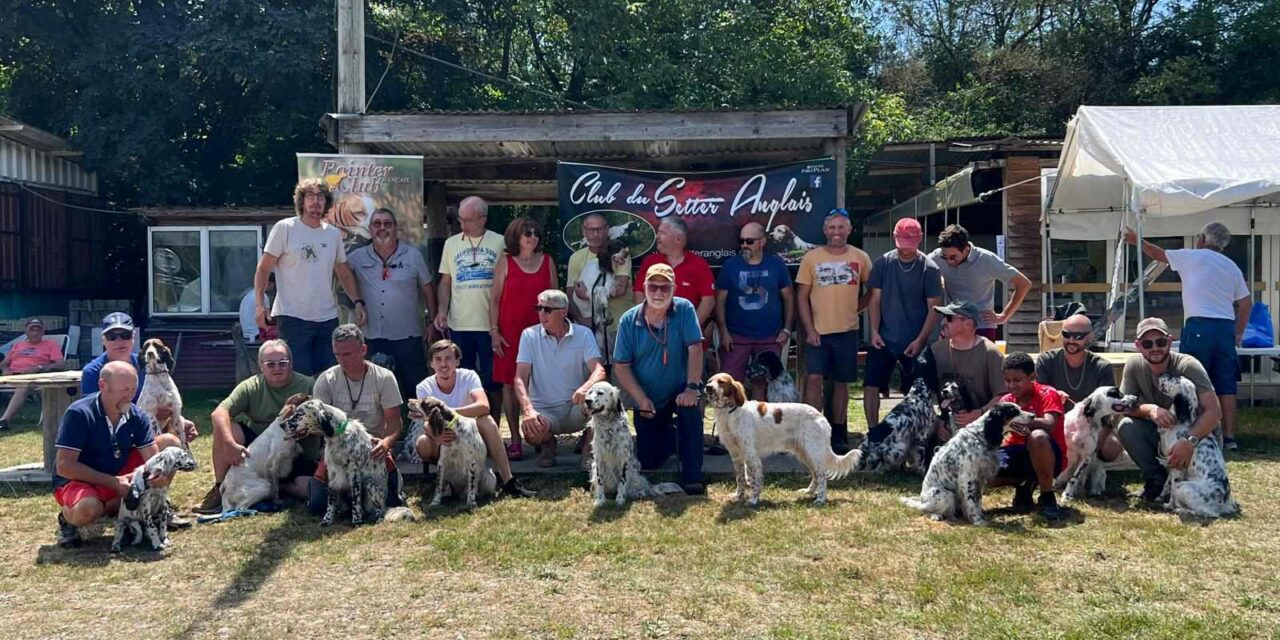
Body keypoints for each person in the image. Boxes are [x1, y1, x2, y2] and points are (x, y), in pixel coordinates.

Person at [1124, 221, 1250, 451]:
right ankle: (1229, 437)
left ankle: (1191, 426)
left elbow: (1158, 254)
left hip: (1199, 323)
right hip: (1224, 328)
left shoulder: (1193, 256)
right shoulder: (1231, 266)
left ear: (1202, 238)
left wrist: (1136, 241)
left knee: (1190, 378)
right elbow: (1245, 302)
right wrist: (1238, 332)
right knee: (1226, 383)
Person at [53, 361, 183, 548]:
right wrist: (114, 482)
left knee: (170, 445)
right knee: (88, 509)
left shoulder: (137, 415)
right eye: (123, 390)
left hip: (118, 473)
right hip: (80, 480)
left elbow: (153, 458)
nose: (129, 396)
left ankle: (146, 508)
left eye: (133, 389)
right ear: (103, 386)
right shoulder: (80, 413)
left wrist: (158, 473)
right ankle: (69, 518)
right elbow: (64, 466)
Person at [253, 179, 366, 376]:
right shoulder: (285, 228)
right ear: (301, 201)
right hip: (292, 316)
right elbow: (263, 269)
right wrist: (260, 305)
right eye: (310, 196)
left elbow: (343, 271)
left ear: (326, 202)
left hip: (327, 318)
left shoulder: (332, 234)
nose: (316, 201)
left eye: (320, 196)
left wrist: (357, 301)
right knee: (298, 377)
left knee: (329, 377)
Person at [193, 339, 319, 514]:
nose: (277, 368)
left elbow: (324, 419)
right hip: (258, 452)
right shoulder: (251, 386)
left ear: (291, 363)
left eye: (283, 363)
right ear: (261, 365)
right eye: (271, 364)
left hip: (297, 454)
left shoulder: (309, 385)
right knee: (228, 428)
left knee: (311, 490)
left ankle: (279, 487)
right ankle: (219, 488)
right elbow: (218, 413)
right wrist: (229, 444)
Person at [614, 264, 706, 494]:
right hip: (647, 398)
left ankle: (693, 475)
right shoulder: (628, 320)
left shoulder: (684, 309)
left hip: (680, 388)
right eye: (653, 286)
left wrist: (692, 388)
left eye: (665, 288)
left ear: (673, 289)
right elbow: (621, 366)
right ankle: (673, 436)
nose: (658, 293)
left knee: (690, 411)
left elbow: (695, 348)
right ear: (644, 287)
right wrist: (640, 399)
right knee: (649, 461)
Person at [1116, 317, 1222, 503]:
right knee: (1126, 426)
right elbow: (1124, 407)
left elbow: (1214, 412)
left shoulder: (1188, 366)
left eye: (1161, 341)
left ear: (1170, 341)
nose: (1155, 348)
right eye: (1147, 343)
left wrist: (1189, 441)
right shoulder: (1134, 366)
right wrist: (1150, 410)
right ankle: (1156, 480)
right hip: (1163, 434)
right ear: (1138, 346)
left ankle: (1198, 486)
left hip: (1199, 437)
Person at [412, 340, 535, 498]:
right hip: (445, 434)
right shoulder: (424, 386)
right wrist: (437, 435)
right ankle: (447, 481)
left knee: (488, 421)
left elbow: (484, 406)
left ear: (457, 361)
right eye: (438, 359)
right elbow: (427, 421)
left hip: (470, 434)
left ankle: (508, 481)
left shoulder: (469, 376)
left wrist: (447, 412)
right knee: (423, 443)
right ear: (431, 363)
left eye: (448, 358)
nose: (443, 364)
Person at [795, 209, 873, 452]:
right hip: (818, 331)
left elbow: (873, 290)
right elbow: (801, 297)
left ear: (850, 230)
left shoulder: (861, 257)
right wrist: (809, 329)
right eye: (832, 228)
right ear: (825, 230)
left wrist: (857, 309)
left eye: (841, 228)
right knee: (814, 379)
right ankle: (809, 430)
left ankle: (838, 432)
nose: (836, 232)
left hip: (847, 331)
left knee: (841, 383)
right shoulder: (812, 258)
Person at [309, 324, 405, 515]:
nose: (342, 360)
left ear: (363, 350)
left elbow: (394, 422)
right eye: (338, 354)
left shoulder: (384, 377)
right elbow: (319, 425)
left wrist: (386, 443)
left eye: (348, 354)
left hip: (372, 449)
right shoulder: (326, 380)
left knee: (392, 501)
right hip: (337, 450)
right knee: (317, 506)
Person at [347, 207, 437, 404]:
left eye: (387, 224)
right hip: (371, 336)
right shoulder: (356, 258)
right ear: (370, 229)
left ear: (396, 228)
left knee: (416, 388)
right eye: (377, 224)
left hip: (407, 335)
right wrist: (356, 303)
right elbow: (340, 274)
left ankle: (419, 432)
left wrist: (431, 321)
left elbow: (428, 288)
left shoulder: (413, 255)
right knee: (373, 392)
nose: (382, 228)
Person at [513, 290, 607, 468]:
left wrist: (586, 387)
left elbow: (599, 370)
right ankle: (548, 443)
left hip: (575, 407)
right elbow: (519, 378)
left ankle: (589, 451)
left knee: (602, 398)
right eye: (538, 308)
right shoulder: (529, 335)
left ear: (564, 311)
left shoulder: (584, 334)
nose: (541, 314)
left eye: (547, 309)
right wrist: (527, 410)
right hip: (544, 411)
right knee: (531, 433)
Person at [489, 216, 557, 461]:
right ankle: (515, 440)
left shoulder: (547, 261)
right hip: (510, 333)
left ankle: (542, 434)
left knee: (541, 382)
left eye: (536, 233)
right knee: (509, 385)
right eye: (527, 233)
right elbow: (494, 299)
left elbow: (556, 300)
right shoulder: (506, 262)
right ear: (516, 236)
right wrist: (494, 332)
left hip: (541, 331)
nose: (532, 237)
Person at [433, 196, 505, 427]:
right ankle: (465, 427)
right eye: (460, 219)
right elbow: (445, 281)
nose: (462, 225)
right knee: (463, 379)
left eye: (468, 220)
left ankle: (492, 428)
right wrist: (441, 310)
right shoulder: (451, 244)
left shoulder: (501, 242)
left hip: (490, 326)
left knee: (493, 381)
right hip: (459, 324)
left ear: (482, 219)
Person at [864, 218, 942, 425]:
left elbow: (934, 309)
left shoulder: (930, 269)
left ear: (920, 240)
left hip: (915, 340)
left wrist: (920, 340)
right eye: (902, 245)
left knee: (916, 390)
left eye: (910, 246)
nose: (906, 250)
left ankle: (912, 430)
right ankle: (873, 431)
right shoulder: (883, 263)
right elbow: (874, 300)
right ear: (894, 238)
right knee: (871, 385)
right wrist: (873, 331)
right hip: (884, 336)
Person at [80, 312, 196, 440]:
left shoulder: (145, 365)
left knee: (177, 439)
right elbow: (95, 415)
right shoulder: (92, 372)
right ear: (103, 340)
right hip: (112, 438)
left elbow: (166, 404)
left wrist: (180, 420)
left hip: (149, 429)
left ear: (133, 337)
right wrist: (150, 416)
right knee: (169, 441)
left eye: (125, 335)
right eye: (112, 336)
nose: (119, 341)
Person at [714, 221, 794, 399]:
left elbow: (789, 297)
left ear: (762, 241)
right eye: (741, 241)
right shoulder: (730, 265)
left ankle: (760, 424)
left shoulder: (776, 264)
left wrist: (787, 329)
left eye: (749, 241)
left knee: (762, 384)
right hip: (737, 336)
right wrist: (723, 331)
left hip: (769, 335)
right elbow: (719, 300)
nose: (744, 245)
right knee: (730, 384)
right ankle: (731, 425)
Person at [1034, 312, 1124, 463]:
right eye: (1067, 334)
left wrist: (1096, 440)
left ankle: (1087, 459)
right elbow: (1038, 394)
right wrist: (1053, 394)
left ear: (1089, 336)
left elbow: (1108, 412)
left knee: (1111, 448)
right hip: (1056, 422)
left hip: (1090, 426)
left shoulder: (1101, 367)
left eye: (1078, 336)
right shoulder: (1046, 360)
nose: (1071, 340)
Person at [993, 352, 1066, 520]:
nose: (1011, 385)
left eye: (1017, 380)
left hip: (1048, 454)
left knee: (1038, 436)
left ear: (1032, 377)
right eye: (1007, 381)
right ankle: (1024, 485)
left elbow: (1049, 424)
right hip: (1015, 452)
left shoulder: (1047, 393)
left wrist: (1016, 421)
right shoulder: (1006, 400)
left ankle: (1047, 496)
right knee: (984, 467)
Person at [929, 224, 1031, 341]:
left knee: (982, 359)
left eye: (953, 257)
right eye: (944, 256)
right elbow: (921, 268)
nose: (948, 261)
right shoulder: (937, 256)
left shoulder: (986, 259)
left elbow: (1024, 283)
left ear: (966, 248)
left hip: (981, 326)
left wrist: (1004, 316)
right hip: (952, 323)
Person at [930, 301, 1006, 431]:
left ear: (968, 323)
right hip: (944, 426)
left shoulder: (991, 353)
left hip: (980, 429)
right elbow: (926, 394)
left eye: (949, 318)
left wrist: (980, 413)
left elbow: (1003, 396)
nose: (943, 322)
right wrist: (936, 422)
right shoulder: (935, 350)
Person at [568, 212, 634, 361]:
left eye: (600, 229)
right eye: (591, 230)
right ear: (584, 231)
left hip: (618, 324)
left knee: (620, 368)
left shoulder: (621, 253)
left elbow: (620, 289)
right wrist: (581, 319)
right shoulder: (577, 258)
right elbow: (571, 293)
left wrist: (587, 295)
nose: (595, 234)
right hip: (588, 324)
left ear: (607, 230)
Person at [633, 217, 716, 327]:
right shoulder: (650, 262)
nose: (657, 236)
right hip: (654, 333)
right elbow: (638, 293)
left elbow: (708, 301)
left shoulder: (699, 265)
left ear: (678, 239)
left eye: (662, 233)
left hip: (687, 339)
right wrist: (649, 323)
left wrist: (690, 328)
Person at [1, 318, 66, 431]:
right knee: (22, 384)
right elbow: (4, 363)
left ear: (43, 332)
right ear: (26, 331)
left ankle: (4, 420)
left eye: (38, 330)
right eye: (32, 329)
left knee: (24, 386)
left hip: (34, 377)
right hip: (11, 376)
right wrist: (5, 369)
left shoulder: (50, 345)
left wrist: (39, 367)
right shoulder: (17, 345)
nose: (35, 333)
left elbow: (60, 364)